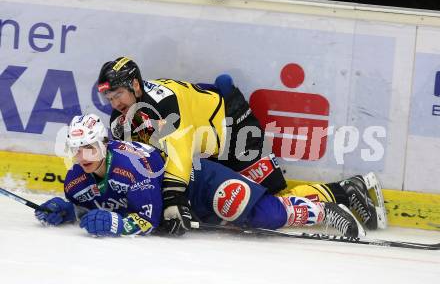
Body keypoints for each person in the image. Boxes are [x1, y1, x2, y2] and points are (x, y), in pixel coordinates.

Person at [97, 57, 386, 235]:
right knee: (250, 205)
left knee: (273, 197)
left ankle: (346, 191)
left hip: (234, 127)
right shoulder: (121, 119)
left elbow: (179, 151)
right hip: (210, 146)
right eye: (109, 99)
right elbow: (136, 160)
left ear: (135, 85)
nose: (115, 104)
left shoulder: (163, 102)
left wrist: (173, 201)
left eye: (118, 95)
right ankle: (345, 191)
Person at [35, 114, 365, 238]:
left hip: (200, 185)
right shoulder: (77, 179)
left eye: (89, 148)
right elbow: (97, 203)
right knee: (249, 219)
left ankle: (325, 210)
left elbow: (148, 219)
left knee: (264, 215)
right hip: (184, 205)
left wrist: (116, 225)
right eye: (76, 150)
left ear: (104, 144)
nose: (82, 157)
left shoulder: (131, 163)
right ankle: (337, 191)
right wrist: (69, 211)